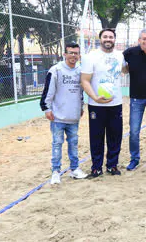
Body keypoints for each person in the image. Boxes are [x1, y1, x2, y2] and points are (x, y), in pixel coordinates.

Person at [81, 29, 126, 178]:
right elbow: (84, 81)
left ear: (114, 39)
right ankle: (96, 167)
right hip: (96, 104)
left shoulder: (120, 56)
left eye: (111, 37)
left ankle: (112, 165)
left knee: (115, 136)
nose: (108, 39)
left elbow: (126, 70)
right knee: (96, 137)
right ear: (100, 39)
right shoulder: (91, 56)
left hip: (115, 103)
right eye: (105, 36)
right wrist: (94, 97)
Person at [40, 42, 88, 184]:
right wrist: (46, 108)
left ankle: (74, 169)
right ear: (65, 54)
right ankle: (56, 172)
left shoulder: (80, 71)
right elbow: (48, 91)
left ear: (79, 55)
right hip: (58, 116)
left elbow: (80, 92)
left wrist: (80, 107)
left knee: (73, 143)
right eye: (71, 53)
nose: (73, 56)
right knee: (57, 143)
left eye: (76, 53)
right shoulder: (56, 70)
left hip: (73, 116)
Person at [122, 29, 146, 171]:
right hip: (136, 98)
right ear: (139, 40)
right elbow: (122, 67)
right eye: (144, 39)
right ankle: (134, 158)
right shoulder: (129, 53)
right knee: (134, 131)